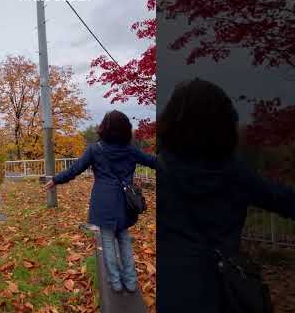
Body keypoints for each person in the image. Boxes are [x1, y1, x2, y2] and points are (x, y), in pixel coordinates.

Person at [157, 78, 295, 312]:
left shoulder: (161, 168)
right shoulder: (235, 172)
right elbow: (283, 199)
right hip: (223, 290)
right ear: (226, 124)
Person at [44, 110, 156, 293]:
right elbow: (154, 162)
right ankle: (131, 281)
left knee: (107, 240)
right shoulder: (130, 150)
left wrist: (56, 180)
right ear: (126, 129)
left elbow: (75, 169)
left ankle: (116, 283)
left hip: (103, 202)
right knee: (124, 239)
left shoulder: (95, 150)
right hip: (126, 202)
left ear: (104, 128)